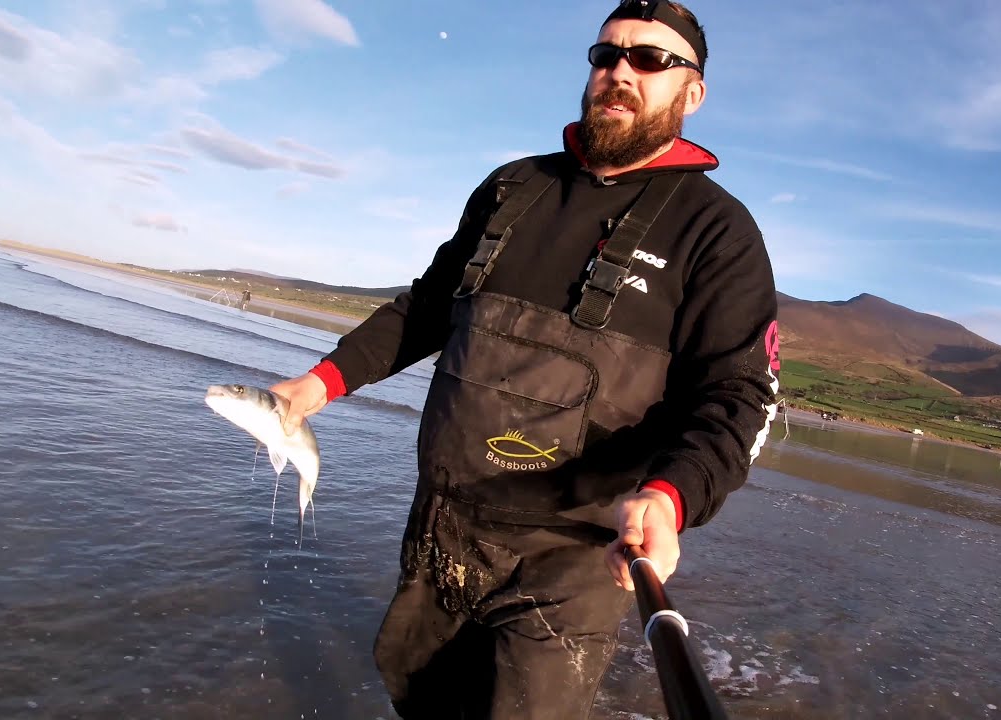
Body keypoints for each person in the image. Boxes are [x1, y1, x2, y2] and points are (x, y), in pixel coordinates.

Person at [270, 1, 781, 716]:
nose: (620, 72)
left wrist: (670, 499)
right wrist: (315, 385)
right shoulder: (514, 187)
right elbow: (428, 309)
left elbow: (736, 399)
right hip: (441, 529)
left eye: (649, 60)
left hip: (575, 555)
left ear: (692, 93)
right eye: (606, 56)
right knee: (419, 698)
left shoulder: (718, 233)